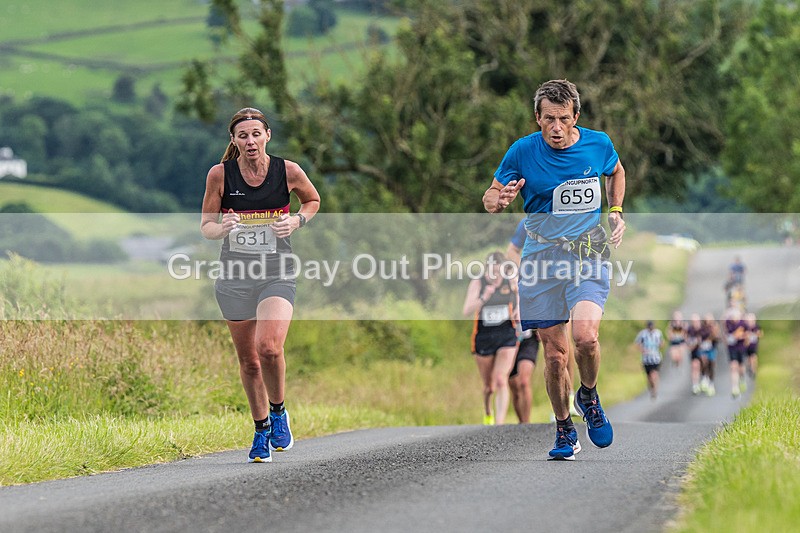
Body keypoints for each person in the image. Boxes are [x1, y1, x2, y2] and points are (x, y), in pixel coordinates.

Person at [483, 79, 626, 460]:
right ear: (538, 118)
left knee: (586, 338)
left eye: (564, 118)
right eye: (549, 119)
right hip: (541, 259)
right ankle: (565, 429)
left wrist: (615, 210)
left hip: (587, 254)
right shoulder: (521, 151)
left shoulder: (598, 144)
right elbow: (489, 197)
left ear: (576, 116)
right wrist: (501, 199)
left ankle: (589, 396)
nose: (557, 128)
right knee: (555, 355)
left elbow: (616, 171)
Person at [201, 107, 320, 463]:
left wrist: (297, 221)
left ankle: (279, 410)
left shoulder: (289, 171)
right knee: (249, 361)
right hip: (235, 277)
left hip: (276, 271)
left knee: (268, 347)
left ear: (267, 135)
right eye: (243, 136)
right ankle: (261, 428)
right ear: (233, 141)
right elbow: (206, 226)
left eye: (256, 134)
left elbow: (313, 200)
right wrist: (222, 228)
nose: (250, 141)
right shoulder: (220, 175)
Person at [506, 219, 580, 421]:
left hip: (562, 283)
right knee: (553, 350)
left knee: (566, 339)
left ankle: (571, 394)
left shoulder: (566, 219)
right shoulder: (526, 223)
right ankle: (560, 403)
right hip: (538, 287)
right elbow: (511, 251)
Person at [463, 251, 519, 425]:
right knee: (489, 386)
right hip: (484, 337)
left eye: (499, 271)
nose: (495, 276)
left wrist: (519, 310)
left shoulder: (510, 281)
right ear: (487, 268)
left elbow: (520, 300)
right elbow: (466, 311)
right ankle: (488, 412)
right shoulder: (478, 283)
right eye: (492, 271)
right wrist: (483, 297)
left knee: (501, 379)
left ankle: (499, 424)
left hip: (506, 335)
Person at [509, 327, 539, 423]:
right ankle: (521, 422)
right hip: (508, 341)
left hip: (529, 340)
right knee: (514, 387)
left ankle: (526, 423)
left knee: (524, 382)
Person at [635, 321, 664, 399]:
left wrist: (660, 345)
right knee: (649, 376)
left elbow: (662, 342)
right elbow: (637, 343)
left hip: (656, 358)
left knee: (654, 374)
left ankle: (655, 390)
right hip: (646, 359)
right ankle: (652, 387)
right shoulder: (643, 334)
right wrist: (643, 350)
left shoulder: (658, 333)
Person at [725, 307, 748, 398]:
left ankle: (742, 378)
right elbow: (727, 335)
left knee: (741, 367)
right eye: (732, 316)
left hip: (741, 348)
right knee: (733, 366)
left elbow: (748, 335)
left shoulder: (743, 324)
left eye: (736, 316)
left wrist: (742, 337)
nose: (734, 318)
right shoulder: (728, 324)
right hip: (732, 348)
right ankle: (735, 388)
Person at [699, 313, 720, 397]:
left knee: (711, 364)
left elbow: (717, 337)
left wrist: (713, 334)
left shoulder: (715, 327)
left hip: (712, 348)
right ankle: (704, 377)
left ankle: (711, 383)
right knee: (704, 362)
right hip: (703, 349)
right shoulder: (702, 328)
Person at [686, 313, 703, 395]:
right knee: (695, 367)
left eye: (697, 321)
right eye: (693, 322)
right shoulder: (690, 330)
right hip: (695, 352)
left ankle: (704, 381)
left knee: (703, 367)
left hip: (704, 352)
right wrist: (695, 343)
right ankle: (695, 384)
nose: (695, 323)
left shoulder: (703, 329)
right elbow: (688, 343)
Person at [744, 312, 762, 379]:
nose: (750, 322)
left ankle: (754, 370)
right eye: (749, 321)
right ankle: (749, 367)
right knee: (748, 358)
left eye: (752, 321)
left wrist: (756, 334)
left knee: (753, 357)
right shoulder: (745, 327)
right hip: (747, 346)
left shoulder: (756, 327)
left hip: (754, 346)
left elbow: (760, 334)